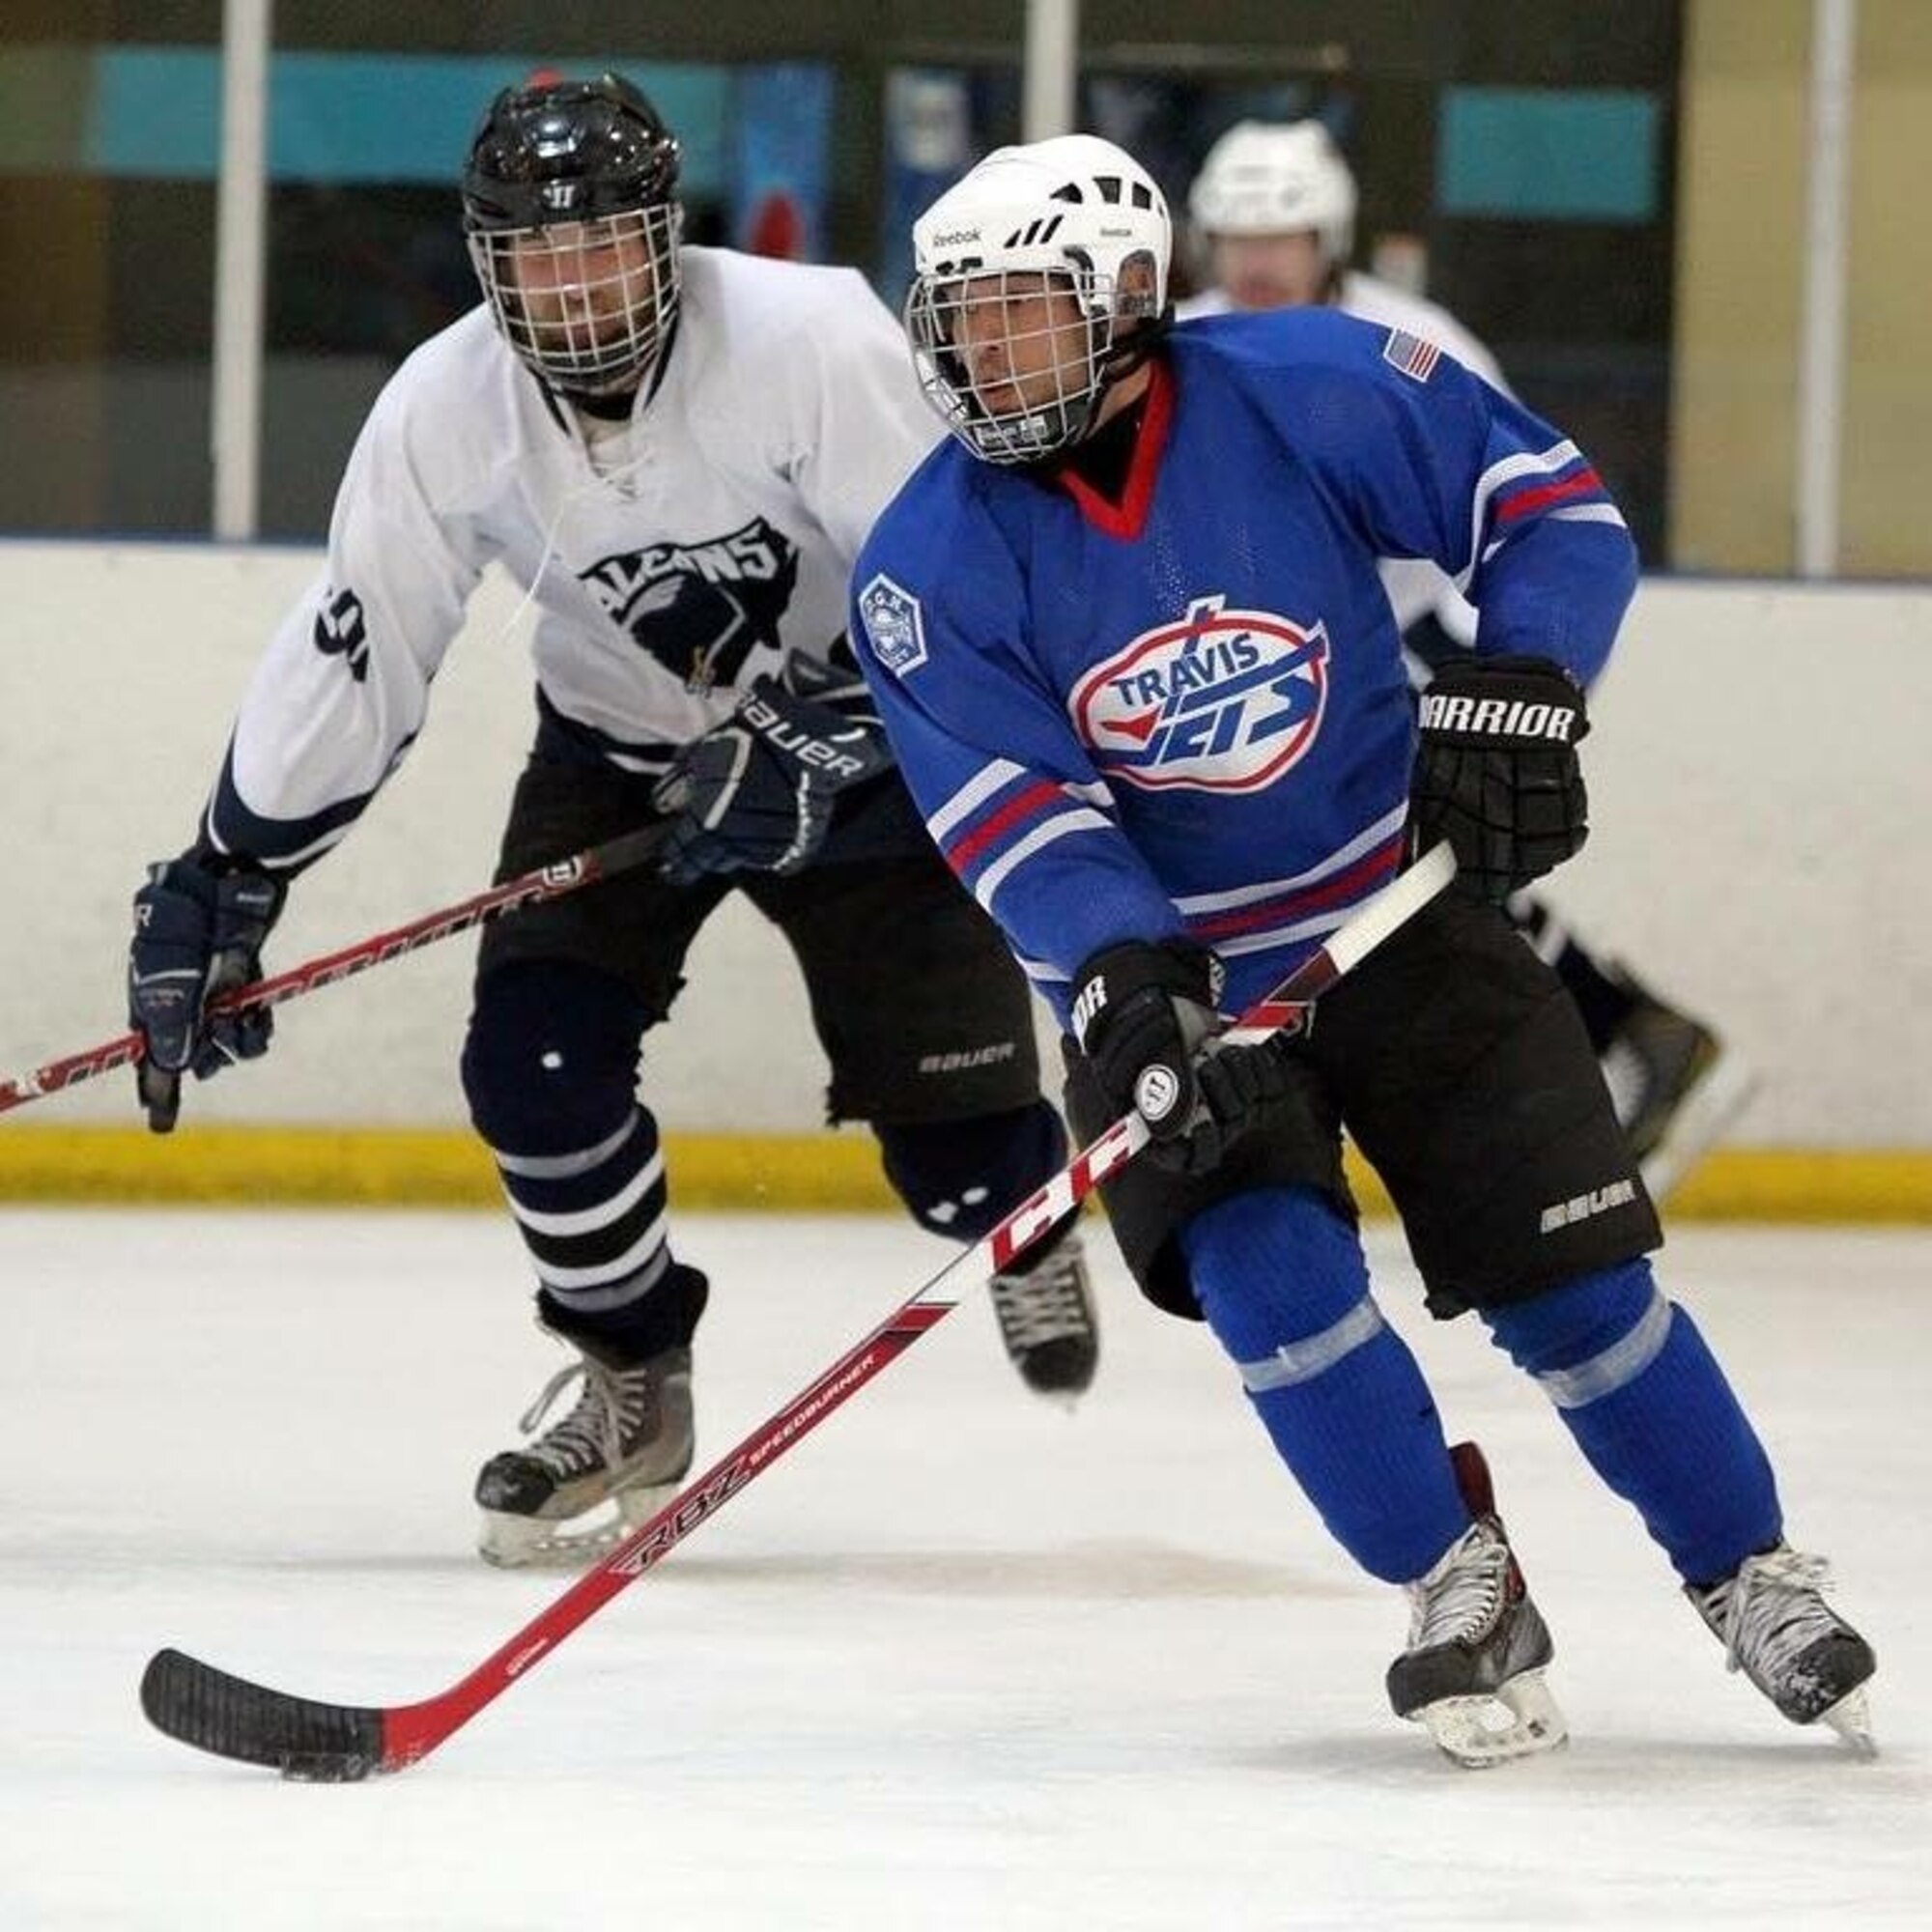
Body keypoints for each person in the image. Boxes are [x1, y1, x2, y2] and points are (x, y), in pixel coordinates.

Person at [849, 132, 1875, 1763]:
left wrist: (1520, 687)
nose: (981, 359)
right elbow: (1013, 812)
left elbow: (1550, 513)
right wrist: (1123, 975)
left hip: (1396, 915)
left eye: (1020, 318)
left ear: (1125, 301)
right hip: (1181, 988)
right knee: (1276, 1287)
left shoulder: (1310, 382)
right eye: (959, 323)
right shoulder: (926, 559)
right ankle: (1452, 1578)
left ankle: (1748, 1571)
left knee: (1580, 1289)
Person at [123, 73, 1100, 1571]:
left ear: (667, 242)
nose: (576, 298)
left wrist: (829, 732)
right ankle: (633, 1371)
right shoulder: (445, 412)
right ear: (484, 265)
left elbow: (967, 587)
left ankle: (1025, 1216)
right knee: (534, 1071)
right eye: (538, 262)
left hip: (874, 750)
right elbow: (360, 649)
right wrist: (228, 871)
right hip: (621, 752)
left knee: (958, 1166)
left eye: (604, 252)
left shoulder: (814, 338)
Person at [1178, 119, 1753, 1205]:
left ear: (1328, 238)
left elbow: (1525, 516)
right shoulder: (1181, 346)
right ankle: (1627, 1028)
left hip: (1406, 655)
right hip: (1250, 665)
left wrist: (1497, 678)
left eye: (1283, 235)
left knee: (1429, 862)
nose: (1257, 261)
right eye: (1235, 236)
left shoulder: (1409, 339)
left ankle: (1602, 1044)